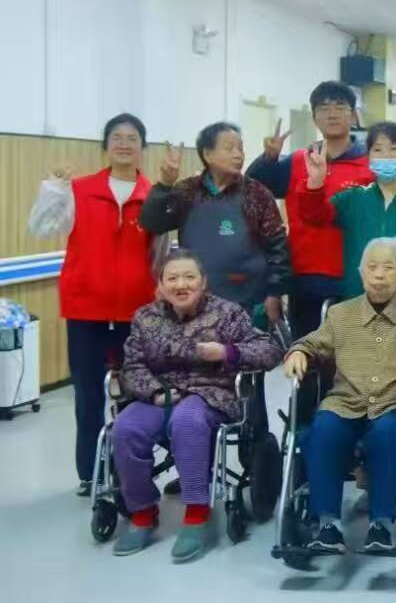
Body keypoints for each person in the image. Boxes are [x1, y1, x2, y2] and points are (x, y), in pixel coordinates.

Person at [282, 237, 396, 554]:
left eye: (388, 268)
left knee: (388, 433)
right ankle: (328, 525)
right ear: (361, 273)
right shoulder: (340, 314)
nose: (379, 275)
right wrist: (298, 352)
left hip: (395, 404)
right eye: (372, 267)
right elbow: (310, 343)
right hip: (345, 403)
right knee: (322, 431)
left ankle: (381, 525)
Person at [110, 249, 282, 561]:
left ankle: (197, 511)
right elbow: (132, 366)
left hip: (210, 393)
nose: (181, 284)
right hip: (161, 394)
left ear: (203, 282)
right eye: (172, 278)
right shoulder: (146, 317)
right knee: (125, 428)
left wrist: (227, 353)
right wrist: (155, 392)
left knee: (187, 422)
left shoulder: (227, 313)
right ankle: (143, 511)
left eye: (189, 277)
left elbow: (269, 351)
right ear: (160, 285)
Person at [27, 113, 161, 496]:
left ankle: (131, 471)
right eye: (117, 137)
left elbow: (161, 255)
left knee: (136, 393)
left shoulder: (153, 196)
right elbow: (40, 227)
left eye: (132, 138)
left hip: (137, 311)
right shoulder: (79, 190)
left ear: (142, 147)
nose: (124, 144)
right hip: (85, 309)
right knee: (88, 395)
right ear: (105, 145)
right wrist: (53, 190)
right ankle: (89, 472)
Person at [247, 81, 374, 337]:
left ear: (353, 115)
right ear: (315, 118)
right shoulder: (297, 162)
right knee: (306, 351)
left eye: (340, 107)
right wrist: (268, 159)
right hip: (305, 276)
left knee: (352, 353)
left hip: (356, 275)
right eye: (324, 108)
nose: (332, 114)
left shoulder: (370, 164)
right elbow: (252, 190)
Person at [140, 122, 290, 322]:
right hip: (195, 302)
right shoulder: (188, 191)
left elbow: (278, 247)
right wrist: (164, 184)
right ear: (208, 155)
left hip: (248, 303)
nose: (238, 154)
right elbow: (153, 223)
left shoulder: (256, 194)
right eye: (229, 148)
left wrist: (275, 293)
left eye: (240, 148)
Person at [297, 121, 396, 304]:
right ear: (368, 157)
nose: (386, 156)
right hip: (358, 305)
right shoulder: (353, 199)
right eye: (378, 150)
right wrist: (315, 182)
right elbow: (314, 216)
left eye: (394, 148)